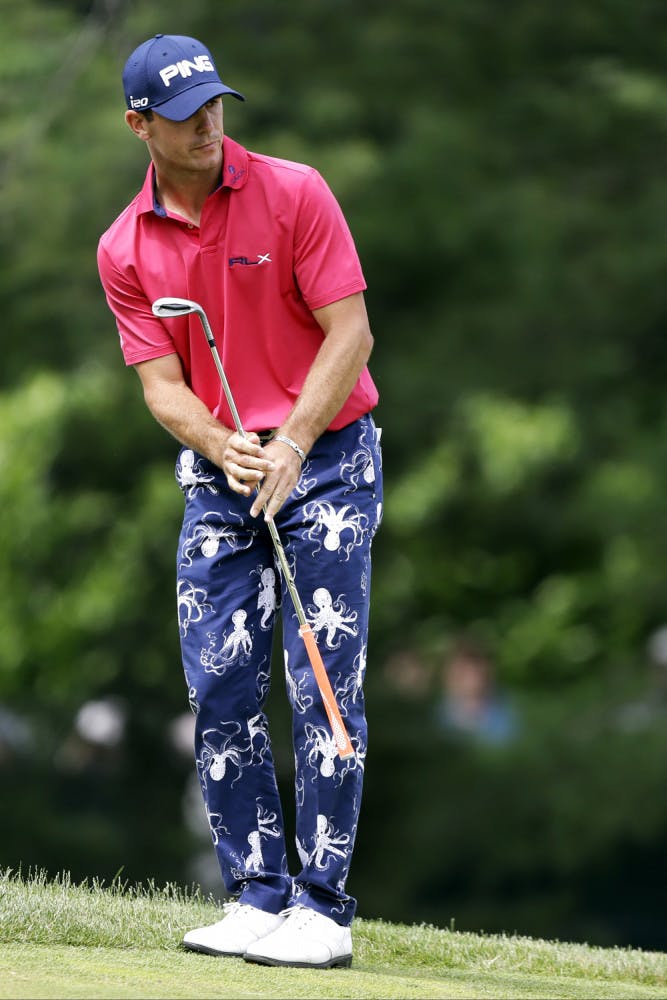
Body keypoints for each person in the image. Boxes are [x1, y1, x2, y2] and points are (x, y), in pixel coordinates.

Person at [97, 33, 382, 969]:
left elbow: (350, 334)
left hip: (328, 458)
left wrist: (294, 442)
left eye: (216, 105)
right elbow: (161, 385)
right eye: (184, 116)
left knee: (321, 682)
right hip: (224, 471)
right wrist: (223, 445)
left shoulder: (294, 190)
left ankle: (323, 909)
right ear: (140, 125)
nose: (208, 125)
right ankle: (257, 894)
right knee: (219, 685)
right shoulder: (124, 248)